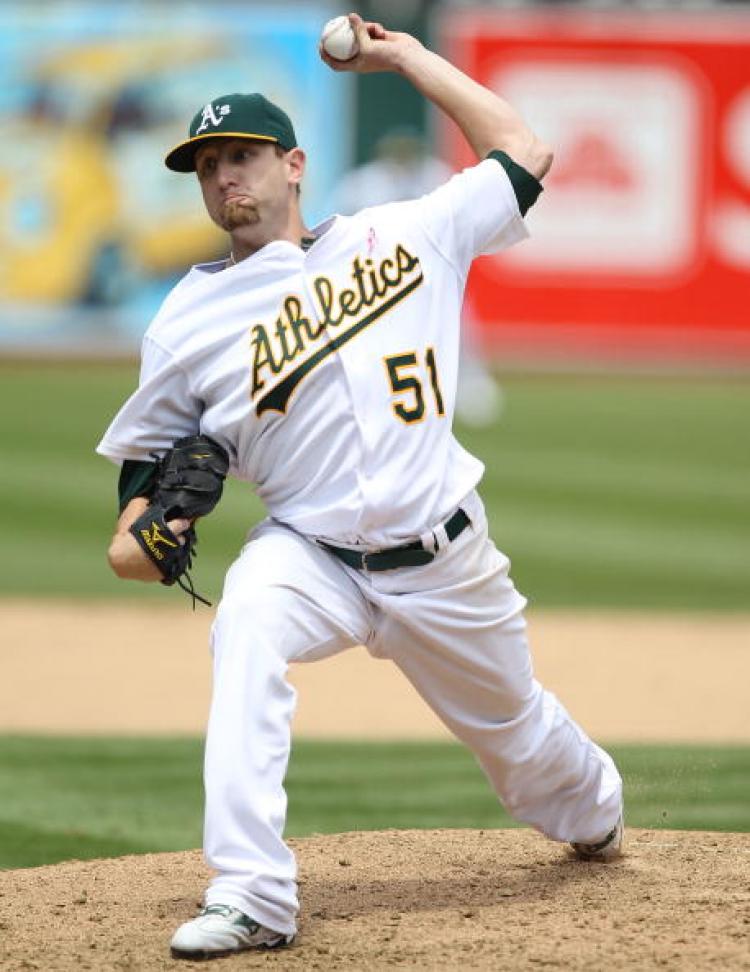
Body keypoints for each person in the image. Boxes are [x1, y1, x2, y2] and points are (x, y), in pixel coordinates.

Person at [98, 12, 623, 962]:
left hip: (445, 559)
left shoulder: (408, 234)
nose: (224, 176)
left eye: (243, 155)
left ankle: (593, 807)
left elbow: (526, 150)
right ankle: (252, 893)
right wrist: (143, 537)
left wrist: (408, 55)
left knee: (530, 758)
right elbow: (135, 520)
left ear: (293, 165)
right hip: (314, 556)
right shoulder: (186, 321)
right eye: (207, 164)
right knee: (248, 623)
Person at [335, 126, 504, 426]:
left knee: (460, 329)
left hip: (432, 273)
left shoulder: (436, 175)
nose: (402, 157)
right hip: (380, 278)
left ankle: (470, 386)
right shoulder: (364, 183)